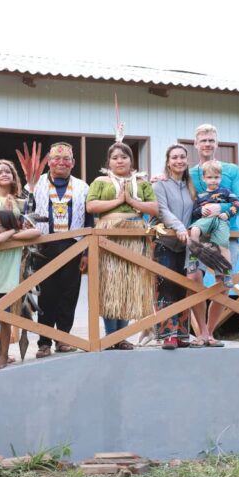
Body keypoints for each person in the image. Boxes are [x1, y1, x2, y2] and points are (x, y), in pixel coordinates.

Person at [21, 142, 91, 358]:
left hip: (74, 245)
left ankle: (64, 338)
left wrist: (87, 252)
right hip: (44, 247)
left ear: (73, 163)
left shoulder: (83, 187)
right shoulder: (35, 184)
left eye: (66, 159)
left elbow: (89, 219)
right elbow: (26, 212)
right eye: (56, 158)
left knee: (69, 294)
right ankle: (44, 342)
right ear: (49, 162)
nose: (61, 162)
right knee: (47, 295)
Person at [86, 141, 159, 348]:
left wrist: (133, 202)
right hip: (109, 234)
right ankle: (110, 336)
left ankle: (122, 337)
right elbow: (91, 206)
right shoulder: (101, 181)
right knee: (110, 285)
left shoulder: (142, 182)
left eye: (124, 157)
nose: (120, 160)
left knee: (130, 284)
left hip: (135, 234)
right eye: (115, 157)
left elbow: (154, 208)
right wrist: (119, 201)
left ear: (131, 160)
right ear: (108, 161)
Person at [187, 124, 239, 343]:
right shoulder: (189, 172)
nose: (207, 144)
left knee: (223, 282)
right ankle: (201, 331)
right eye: (203, 140)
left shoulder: (231, 170)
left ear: (217, 143)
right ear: (195, 144)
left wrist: (220, 209)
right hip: (199, 233)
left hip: (226, 233)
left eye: (211, 140)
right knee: (193, 279)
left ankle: (210, 332)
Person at [0, 209, 41, 369]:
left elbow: (37, 232)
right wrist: (14, 230)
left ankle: (3, 355)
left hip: (6, 287)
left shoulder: (14, 239)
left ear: (7, 224)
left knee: (4, 323)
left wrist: (12, 232)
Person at [152, 143, 197, 349]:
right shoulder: (160, 185)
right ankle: (167, 335)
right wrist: (179, 227)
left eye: (182, 157)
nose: (179, 160)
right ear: (168, 162)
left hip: (185, 245)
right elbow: (162, 210)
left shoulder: (191, 185)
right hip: (166, 242)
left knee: (182, 288)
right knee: (166, 287)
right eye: (174, 157)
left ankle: (181, 333)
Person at [188, 159, 239, 289]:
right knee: (194, 230)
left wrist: (227, 213)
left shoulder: (226, 192)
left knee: (223, 246)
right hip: (205, 221)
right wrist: (200, 210)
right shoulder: (200, 196)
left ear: (221, 177)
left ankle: (227, 272)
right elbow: (194, 212)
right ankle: (193, 258)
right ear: (204, 178)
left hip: (220, 221)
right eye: (210, 177)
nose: (213, 180)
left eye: (216, 177)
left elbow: (238, 204)